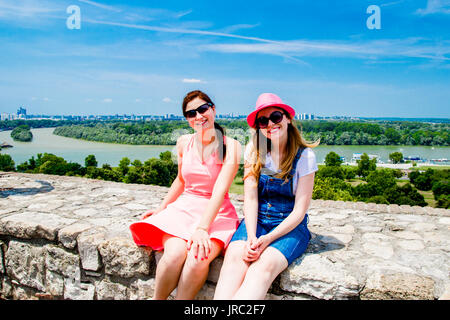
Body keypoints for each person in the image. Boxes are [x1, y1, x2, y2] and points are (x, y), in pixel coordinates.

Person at [129, 90, 241, 300]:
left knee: (199, 258)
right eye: (191, 114)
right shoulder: (183, 142)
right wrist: (162, 208)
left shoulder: (231, 146)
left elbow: (219, 190)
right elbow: (181, 180)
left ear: (213, 109)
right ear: (188, 120)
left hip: (217, 212)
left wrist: (202, 229)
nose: (199, 116)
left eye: (203, 109)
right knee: (173, 255)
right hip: (185, 208)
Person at [214, 93, 319, 300]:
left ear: (288, 118)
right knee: (234, 259)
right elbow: (251, 199)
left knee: (262, 269)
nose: (270, 124)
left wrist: (268, 239)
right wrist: (252, 237)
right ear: (258, 127)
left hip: (289, 225)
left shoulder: (305, 156)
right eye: (263, 121)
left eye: (276, 117)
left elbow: (299, 211)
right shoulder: (254, 150)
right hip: (257, 220)